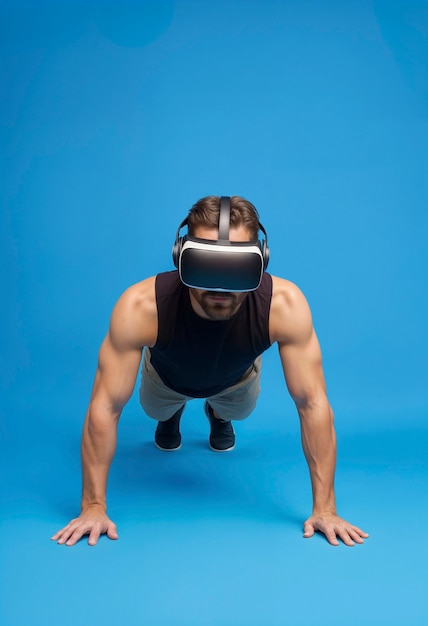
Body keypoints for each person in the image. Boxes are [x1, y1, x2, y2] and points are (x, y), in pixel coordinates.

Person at [52, 195, 368, 548]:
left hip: (235, 379)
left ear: (260, 262)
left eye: (235, 269)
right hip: (167, 376)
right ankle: (170, 415)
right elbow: (105, 406)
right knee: (155, 408)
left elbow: (312, 402)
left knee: (239, 410)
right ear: (180, 257)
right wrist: (92, 506)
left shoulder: (284, 305)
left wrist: (325, 508)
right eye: (206, 265)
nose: (219, 286)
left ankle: (218, 412)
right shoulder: (141, 307)